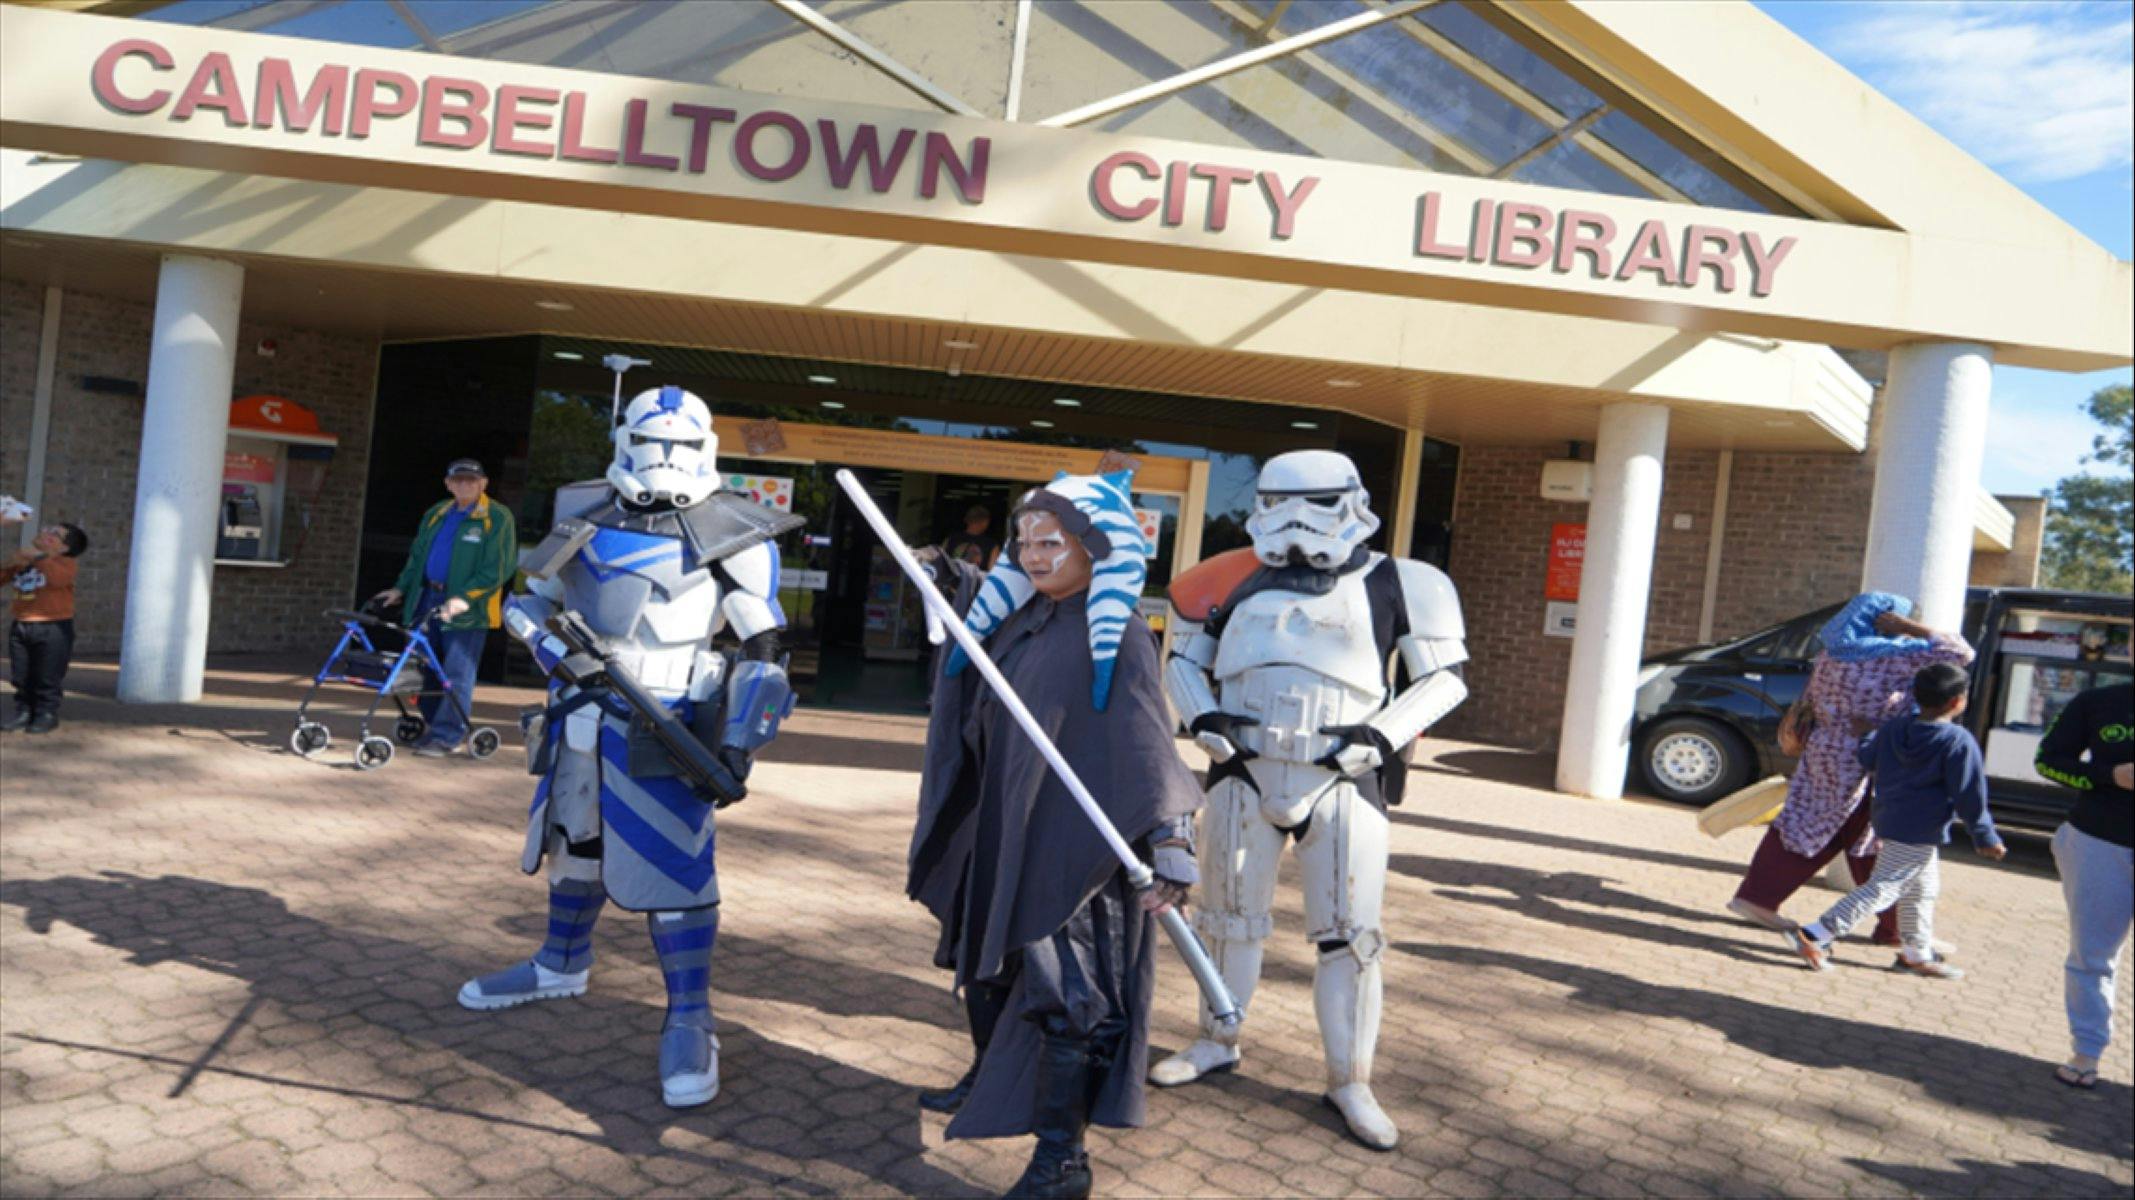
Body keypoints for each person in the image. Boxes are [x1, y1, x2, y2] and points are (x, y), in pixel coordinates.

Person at [456, 385, 802, 1108]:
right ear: (624, 441)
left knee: (675, 868)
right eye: (653, 441)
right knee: (571, 842)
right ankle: (559, 962)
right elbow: (529, 602)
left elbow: (763, 645)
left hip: (668, 721)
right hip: (578, 711)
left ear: (705, 448)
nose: (665, 458)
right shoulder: (584, 509)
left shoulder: (734, 526)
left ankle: (689, 1014)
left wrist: (737, 743)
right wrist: (548, 645)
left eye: (680, 444)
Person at [1149, 450, 1469, 1151]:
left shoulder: (1404, 582)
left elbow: (1444, 680)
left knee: (1350, 939)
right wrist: (1201, 719)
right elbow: (1181, 660)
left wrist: (1377, 739)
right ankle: (1215, 1038)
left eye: (1318, 502)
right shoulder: (1226, 576)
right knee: (1227, 920)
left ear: (1352, 501)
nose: (1296, 520)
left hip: (1342, 776)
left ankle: (1349, 1077)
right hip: (1242, 770)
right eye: (1278, 502)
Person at [908, 470, 1200, 1200]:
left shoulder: (1120, 634)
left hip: (1072, 844)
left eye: (1053, 543)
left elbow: (1145, 735)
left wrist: (1170, 838)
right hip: (1004, 822)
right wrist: (944, 572)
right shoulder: (1023, 616)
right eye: (1025, 543)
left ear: (1094, 549)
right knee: (988, 967)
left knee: (1065, 996)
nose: (1035, 557)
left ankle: (1061, 1160)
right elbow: (978, 616)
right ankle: (986, 1078)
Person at [1729, 592, 1974, 947]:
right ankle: (1901, 930)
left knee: (1805, 823)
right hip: (1870, 757)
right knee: (1874, 840)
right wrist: (1912, 627)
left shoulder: (1830, 654)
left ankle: (1756, 897)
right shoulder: (1893, 656)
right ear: (1884, 621)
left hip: (1824, 752)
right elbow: (1961, 653)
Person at [1784, 662, 2004, 977]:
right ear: (1957, 701)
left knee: (1922, 888)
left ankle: (1916, 952)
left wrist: (1867, 735)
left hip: (1889, 817)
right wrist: (1985, 835)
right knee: (1885, 886)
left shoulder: (1894, 728)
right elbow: (1969, 793)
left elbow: (1868, 758)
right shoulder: (1957, 741)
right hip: (1921, 826)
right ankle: (1816, 933)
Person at [372, 459, 516, 757]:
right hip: (427, 599)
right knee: (422, 669)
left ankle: (448, 735)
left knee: (456, 673)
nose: (465, 485)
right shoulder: (436, 513)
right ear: (448, 484)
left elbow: (499, 568)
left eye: (471, 481)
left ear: (483, 484)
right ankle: (431, 725)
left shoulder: (496, 517)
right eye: (459, 480)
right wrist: (400, 588)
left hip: (467, 608)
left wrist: (465, 598)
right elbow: (417, 558)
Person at [2035, 680, 2133, 1089]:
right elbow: (2048, 761)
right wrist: (2110, 775)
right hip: (2098, 843)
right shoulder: (2097, 701)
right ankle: (2087, 1052)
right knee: (2092, 955)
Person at [2, 519, 89, 734]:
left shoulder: (65, 564)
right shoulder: (28, 560)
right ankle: (24, 711)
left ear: (64, 548)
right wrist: (12, 564)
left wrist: (37, 556)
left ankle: (46, 713)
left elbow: (57, 579)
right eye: (47, 528)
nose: (45, 532)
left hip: (54, 627)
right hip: (22, 624)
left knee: (47, 674)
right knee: (21, 673)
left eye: (55, 534)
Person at [942, 504, 1001, 570]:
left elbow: (940, 563)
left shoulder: (950, 539)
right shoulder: (992, 545)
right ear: (985, 522)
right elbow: (992, 572)